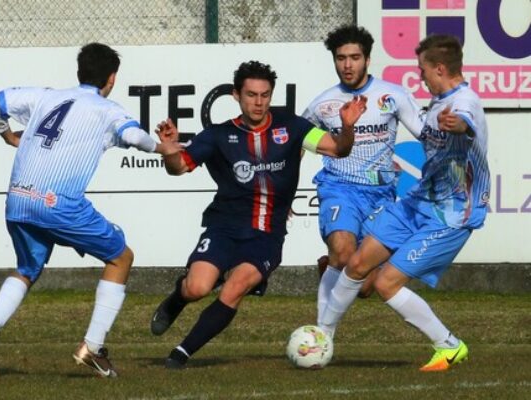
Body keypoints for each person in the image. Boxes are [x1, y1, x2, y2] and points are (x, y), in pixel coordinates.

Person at [0, 42, 180, 378]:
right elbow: (133, 136)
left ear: (79, 71)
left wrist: (7, 136)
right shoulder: (107, 109)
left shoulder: (46, 96)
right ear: (111, 78)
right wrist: (162, 146)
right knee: (121, 257)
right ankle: (93, 348)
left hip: (18, 200)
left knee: (27, 267)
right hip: (58, 204)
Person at [150, 60, 367, 369]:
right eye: (251, 95)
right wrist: (171, 149)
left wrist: (347, 127)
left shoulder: (292, 127)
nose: (258, 102)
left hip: (267, 234)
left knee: (236, 286)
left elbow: (338, 149)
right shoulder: (218, 135)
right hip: (223, 227)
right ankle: (177, 298)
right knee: (196, 287)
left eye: (265, 95)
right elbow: (179, 168)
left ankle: (180, 354)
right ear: (237, 95)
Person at [318, 34, 490, 372]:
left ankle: (449, 345)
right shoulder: (437, 101)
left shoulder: (464, 102)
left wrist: (456, 125)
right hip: (417, 201)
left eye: (422, 69)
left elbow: (465, 123)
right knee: (356, 264)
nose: (419, 75)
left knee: (385, 283)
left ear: (439, 68)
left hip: (451, 215)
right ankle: (322, 338)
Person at [302, 25, 425, 326]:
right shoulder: (323, 104)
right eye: (341, 58)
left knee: (366, 286)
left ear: (367, 60)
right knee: (344, 254)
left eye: (354, 57)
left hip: (381, 194)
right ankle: (321, 338)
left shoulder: (393, 96)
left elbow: (426, 134)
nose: (347, 65)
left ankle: (328, 266)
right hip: (339, 187)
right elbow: (298, 142)